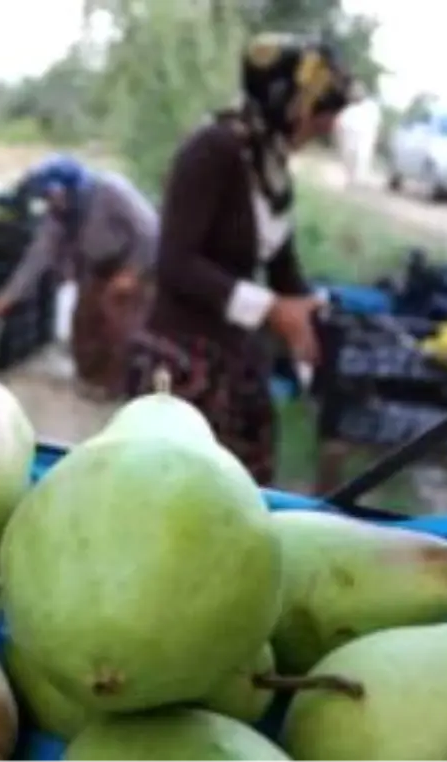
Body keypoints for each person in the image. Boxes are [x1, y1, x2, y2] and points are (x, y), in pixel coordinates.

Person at [125, 33, 354, 485]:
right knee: (181, 494)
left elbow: (282, 267)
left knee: (241, 496)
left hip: (234, 357)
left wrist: (308, 318)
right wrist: (270, 309)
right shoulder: (212, 151)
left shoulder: (267, 164)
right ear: (286, 101)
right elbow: (176, 262)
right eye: (322, 110)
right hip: (181, 362)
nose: (327, 124)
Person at [0, 156, 158, 400]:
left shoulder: (111, 190)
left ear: (68, 188)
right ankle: (91, 384)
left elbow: (150, 231)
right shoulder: (58, 215)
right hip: (92, 267)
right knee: (84, 327)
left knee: (119, 327)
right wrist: (5, 299)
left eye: (51, 196)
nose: (48, 203)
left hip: (129, 262)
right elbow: (36, 258)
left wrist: (132, 271)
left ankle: (124, 389)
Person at [336, 81, 382, 186]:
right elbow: (341, 124)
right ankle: (350, 180)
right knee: (349, 159)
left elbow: (376, 124)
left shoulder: (371, 107)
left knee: (362, 159)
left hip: (365, 138)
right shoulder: (349, 108)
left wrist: (376, 137)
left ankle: (357, 182)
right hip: (350, 137)